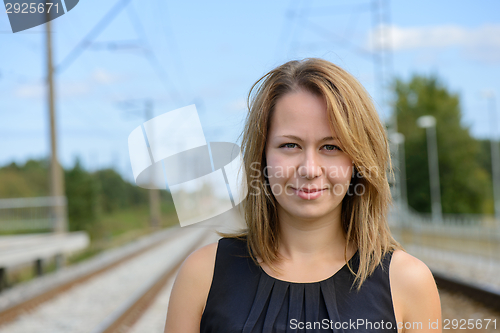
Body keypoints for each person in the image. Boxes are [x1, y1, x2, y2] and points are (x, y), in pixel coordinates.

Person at [164, 58, 442, 333]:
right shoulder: (202, 275)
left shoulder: (407, 281)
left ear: (358, 161)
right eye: (289, 145)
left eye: (331, 147)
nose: (310, 169)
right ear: (261, 157)